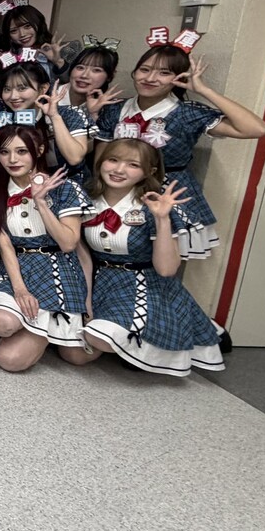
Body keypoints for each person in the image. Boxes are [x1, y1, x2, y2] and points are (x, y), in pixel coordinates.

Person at [95, 40, 265, 259]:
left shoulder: (186, 113)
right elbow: (100, 159)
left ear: (179, 78)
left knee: (162, 262)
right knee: (106, 250)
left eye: (164, 73)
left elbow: (257, 129)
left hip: (165, 193)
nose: (150, 78)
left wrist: (204, 90)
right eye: (145, 69)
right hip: (117, 189)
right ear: (134, 72)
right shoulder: (114, 109)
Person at [80, 139, 225, 376]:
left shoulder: (153, 207)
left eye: (133, 165)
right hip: (100, 282)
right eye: (113, 160)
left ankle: (187, 329)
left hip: (142, 285)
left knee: (100, 338)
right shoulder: (85, 198)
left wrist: (162, 219)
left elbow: (167, 270)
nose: (119, 170)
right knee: (79, 345)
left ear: (149, 171)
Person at [0, 126, 93, 372]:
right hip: (17, 265)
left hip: (57, 268)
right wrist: (20, 290)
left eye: (22, 151)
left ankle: (45, 330)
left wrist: (41, 202)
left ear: (40, 150)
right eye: (5, 152)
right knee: (2, 323)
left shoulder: (65, 188)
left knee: (14, 360)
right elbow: (5, 245)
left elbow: (68, 243)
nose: (12, 159)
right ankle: (41, 327)